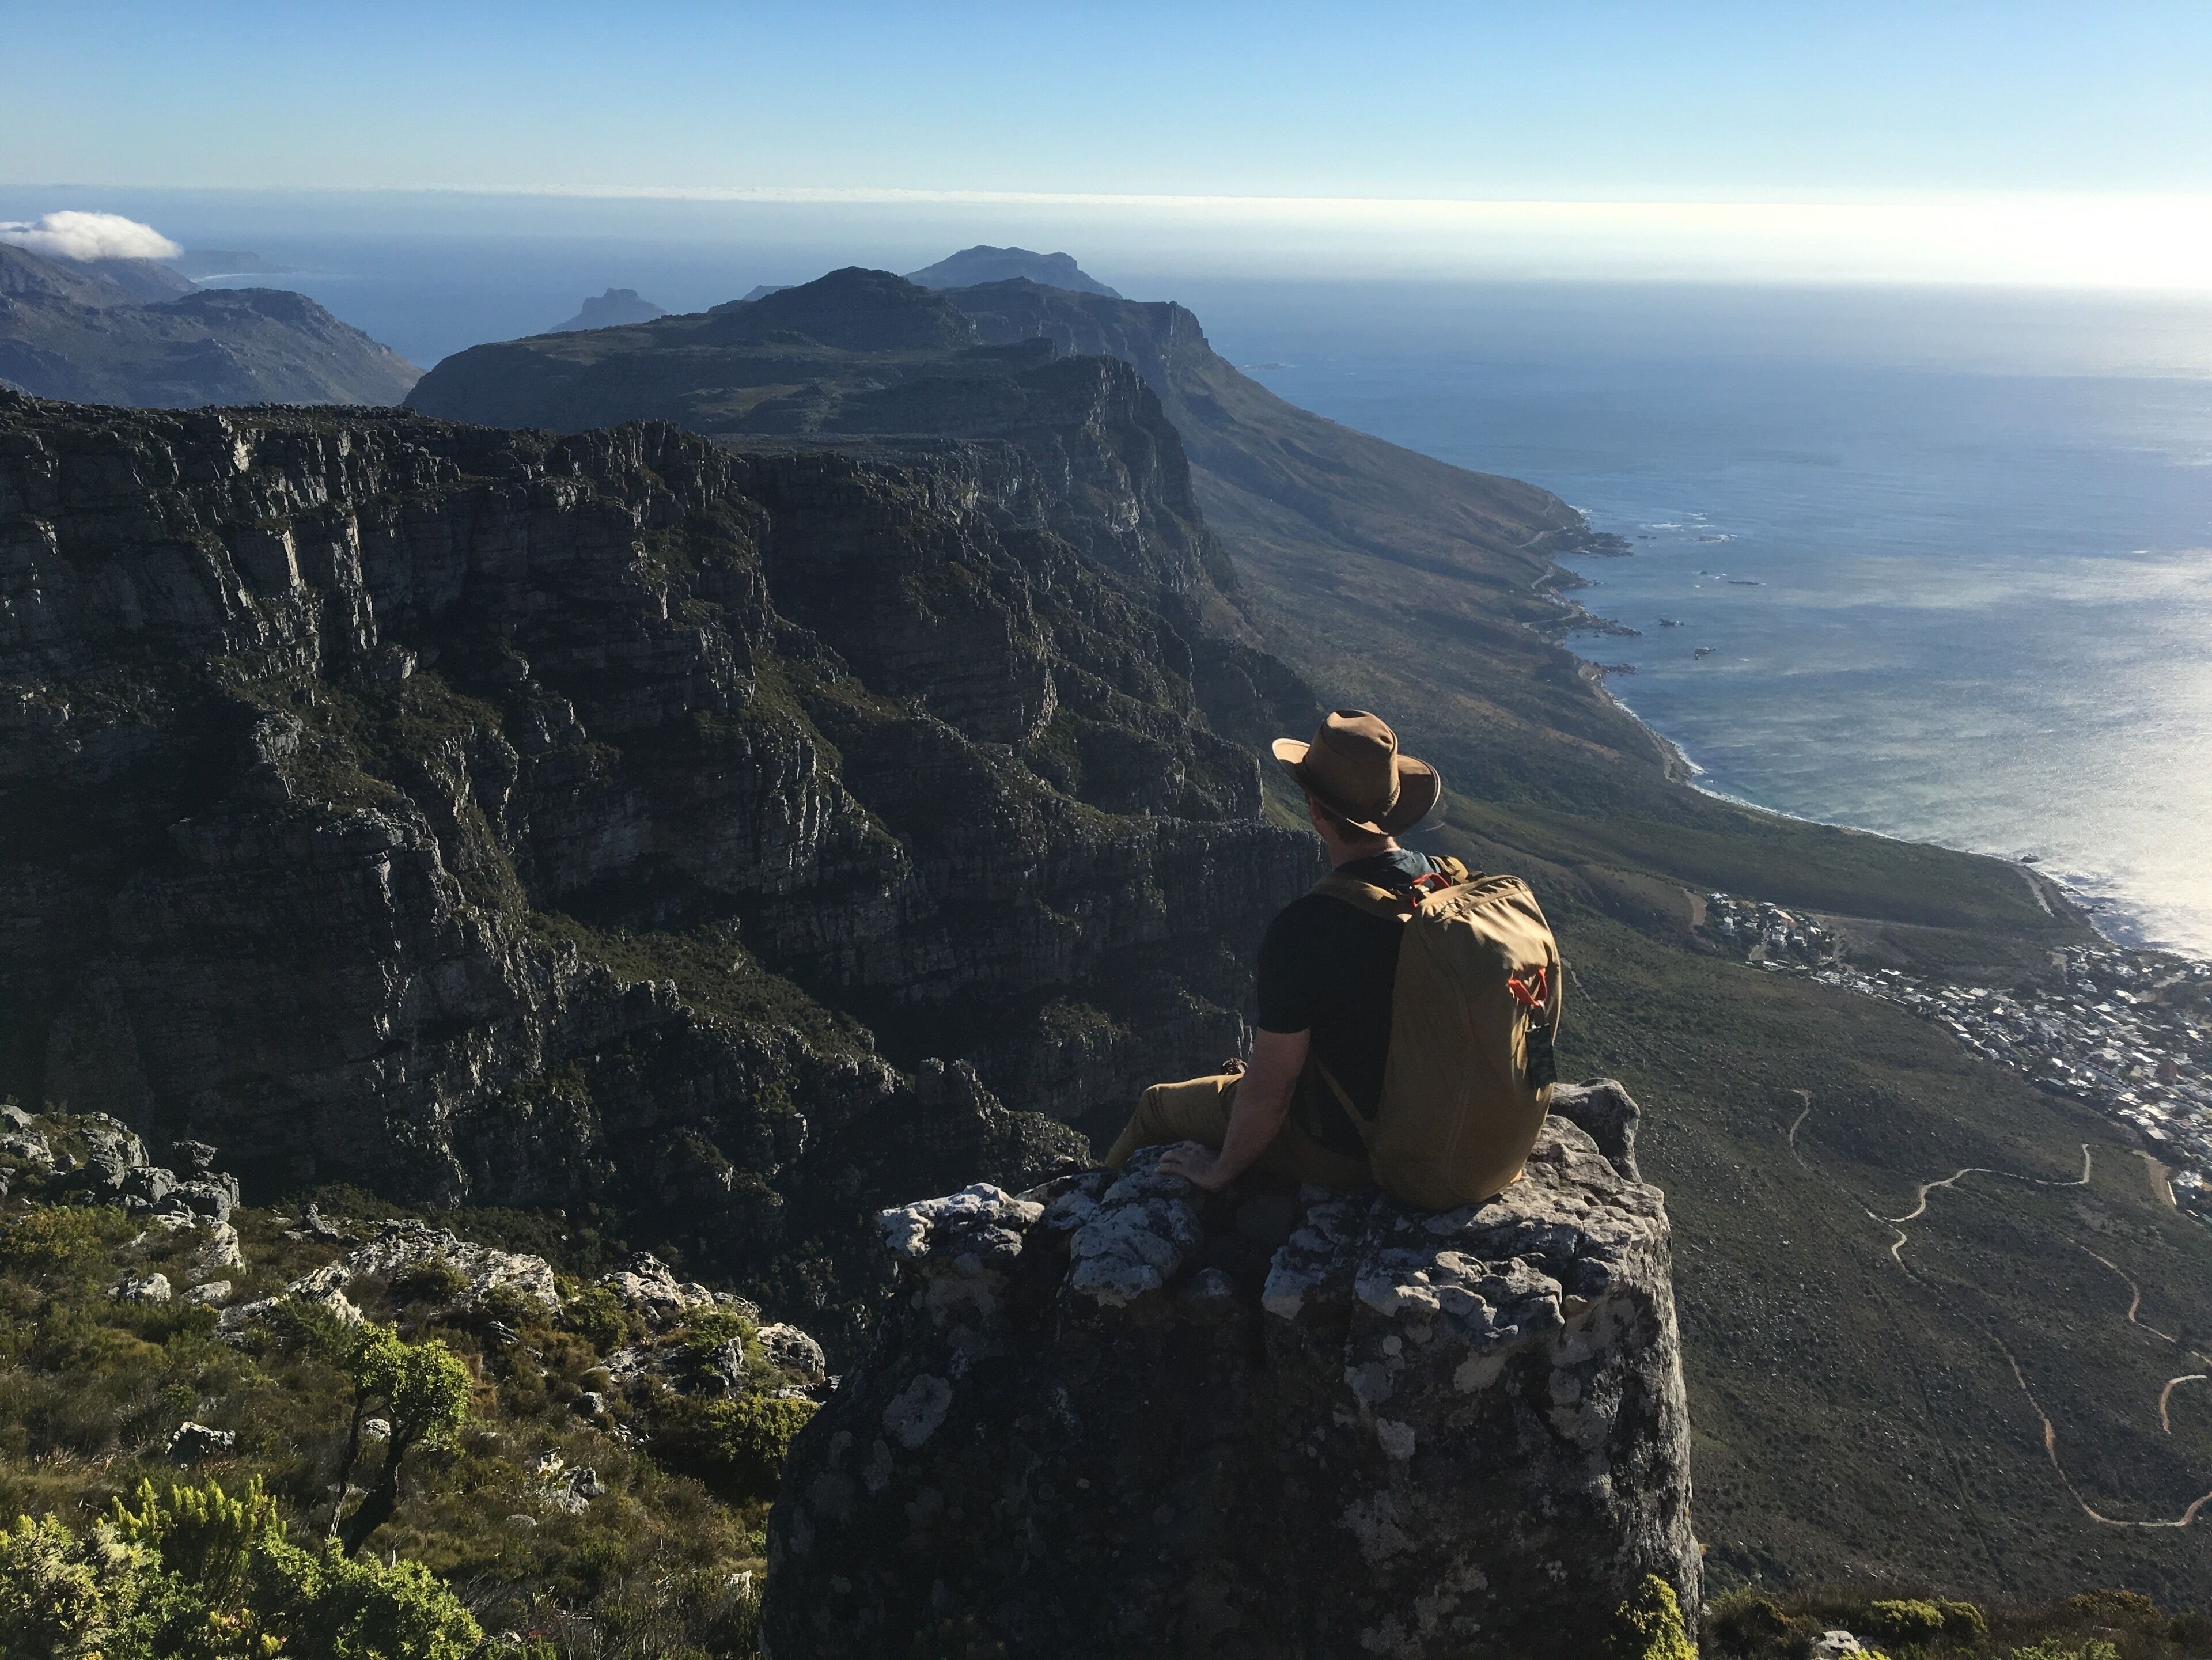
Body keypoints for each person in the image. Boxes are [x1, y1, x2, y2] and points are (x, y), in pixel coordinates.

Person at [1104, 710, 1445, 1193]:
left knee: (1156, 1106)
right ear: (1393, 808)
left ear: (1315, 808)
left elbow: (1273, 1089)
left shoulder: (1307, 928)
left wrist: (1220, 1171)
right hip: (1449, 1129)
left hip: (1357, 1153)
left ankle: (1078, 1214)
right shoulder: (1441, 885)